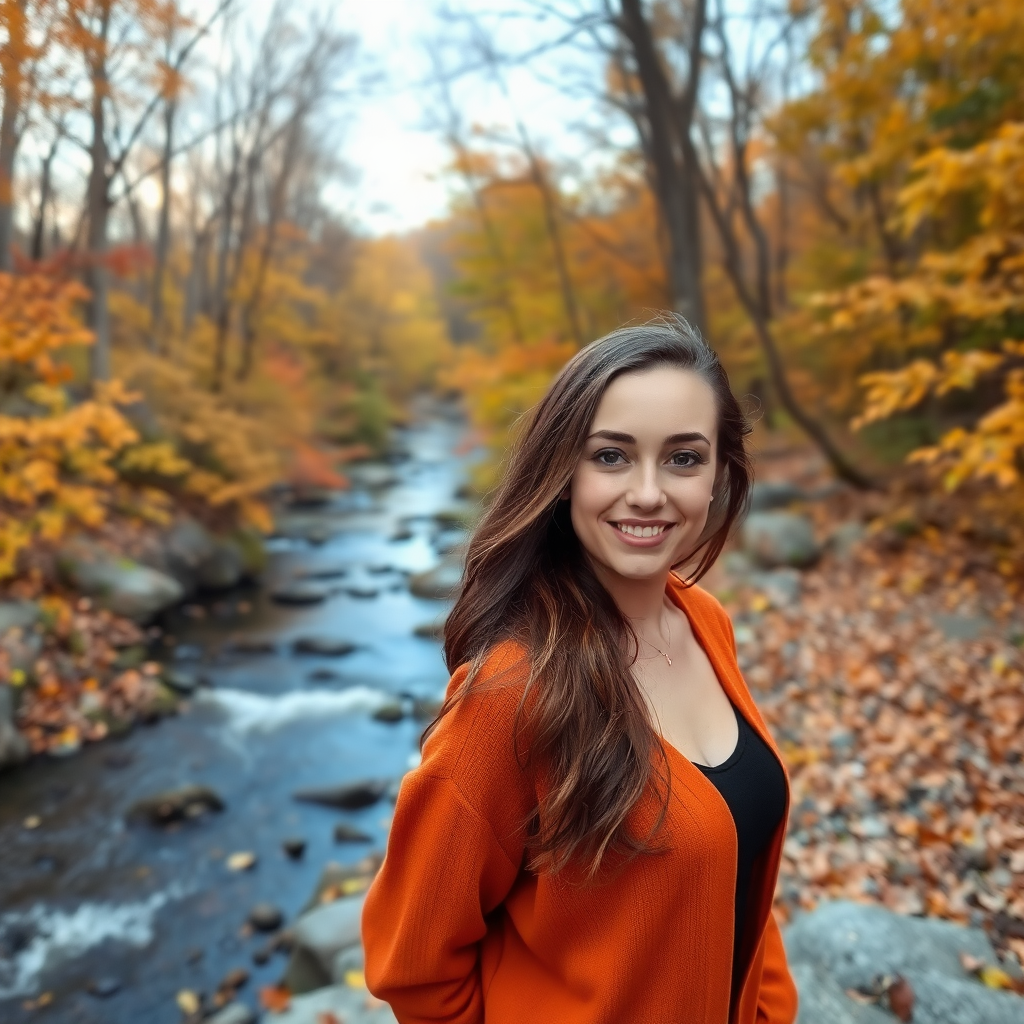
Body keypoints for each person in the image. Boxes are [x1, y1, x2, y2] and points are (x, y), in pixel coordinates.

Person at [361, 317, 798, 1024]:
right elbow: (414, 967)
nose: (649, 493)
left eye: (683, 459)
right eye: (612, 457)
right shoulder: (510, 690)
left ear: (721, 472)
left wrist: (770, 1008)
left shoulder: (705, 623)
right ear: (562, 473)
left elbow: (739, 867)